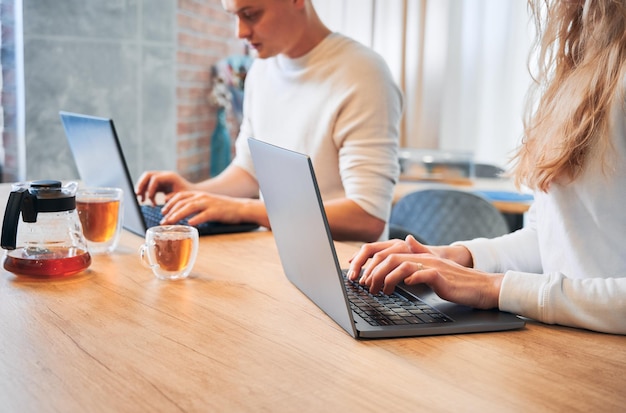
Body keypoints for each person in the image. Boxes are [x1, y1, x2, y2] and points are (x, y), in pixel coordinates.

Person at [348, 0, 626, 335]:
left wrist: (493, 288)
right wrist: (454, 257)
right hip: (568, 343)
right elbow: (552, 241)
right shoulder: (581, 67)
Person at [135, 0, 403, 242]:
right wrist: (194, 193)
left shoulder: (363, 74)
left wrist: (243, 210)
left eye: (250, 14)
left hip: (345, 275)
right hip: (272, 255)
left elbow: (367, 217)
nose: (240, 32)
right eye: (234, 16)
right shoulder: (261, 71)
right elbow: (250, 170)